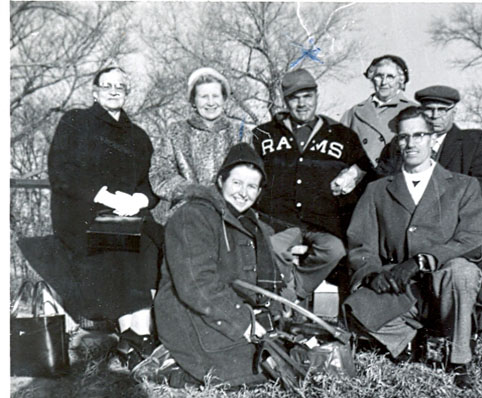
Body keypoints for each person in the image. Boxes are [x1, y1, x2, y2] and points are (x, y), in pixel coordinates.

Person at [344, 106, 482, 389]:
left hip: (446, 284)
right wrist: (374, 273)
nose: (411, 144)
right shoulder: (377, 190)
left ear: (433, 139)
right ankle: (417, 341)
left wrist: (425, 259)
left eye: (419, 135)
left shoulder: (463, 186)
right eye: (403, 137)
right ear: (397, 142)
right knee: (355, 310)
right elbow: (361, 244)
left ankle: (459, 359)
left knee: (462, 272)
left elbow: (473, 239)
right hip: (402, 289)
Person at [48, 66, 161, 365]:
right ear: (94, 91)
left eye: (120, 86)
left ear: (127, 92)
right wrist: (105, 196)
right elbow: (62, 173)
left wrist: (139, 199)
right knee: (121, 239)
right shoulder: (75, 122)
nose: (113, 91)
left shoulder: (138, 136)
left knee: (156, 242)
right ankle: (133, 335)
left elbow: (150, 182)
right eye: (107, 85)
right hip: (84, 214)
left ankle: (142, 334)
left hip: (130, 213)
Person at [153, 143, 283, 388]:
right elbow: (197, 284)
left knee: (281, 358)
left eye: (252, 186)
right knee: (251, 373)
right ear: (221, 180)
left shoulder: (251, 224)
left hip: (227, 309)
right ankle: (170, 364)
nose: (244, 193)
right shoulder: (193, 216)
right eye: (237, 183)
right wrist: (243, 322)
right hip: (191, 312)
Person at [253, 68, 373, 305]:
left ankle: (293, 292)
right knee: (274, 248)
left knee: (335, 250)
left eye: (307, 96)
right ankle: (285, 303)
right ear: (285, 101)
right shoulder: (264, 133)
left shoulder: (341, 134)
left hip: (323, 223)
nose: (301, 104)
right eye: (294, 98)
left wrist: (354, 173)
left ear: (317, 96)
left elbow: (365, 169)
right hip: (279, 221)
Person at [379, 85, 482, 320]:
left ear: (454, 111)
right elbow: (384, 183)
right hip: (412, 225)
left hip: (461, 225)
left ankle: (477, 316)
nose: (434, 116)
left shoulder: (473, 142)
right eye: (428, 110)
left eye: (442, 110)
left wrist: (438, 213)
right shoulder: (401, 144)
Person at [149, 67, 252, 225]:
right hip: (186, 216)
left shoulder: (241, 134)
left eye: (215, 96)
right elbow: (160, 174)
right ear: (193, 101)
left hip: (230, 217)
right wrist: (194, 191)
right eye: (204, 96)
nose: (210, 102)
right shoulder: (175, 131)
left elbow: (250, 176)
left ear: (224, 99)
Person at [340, 55, 414, 168]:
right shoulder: (354, 113)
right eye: (379, 76)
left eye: (390, 77)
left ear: (400, 80)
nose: (384, 82)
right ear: (372, 78)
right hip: (359, 181)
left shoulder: (413, 110)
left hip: (395, 178)